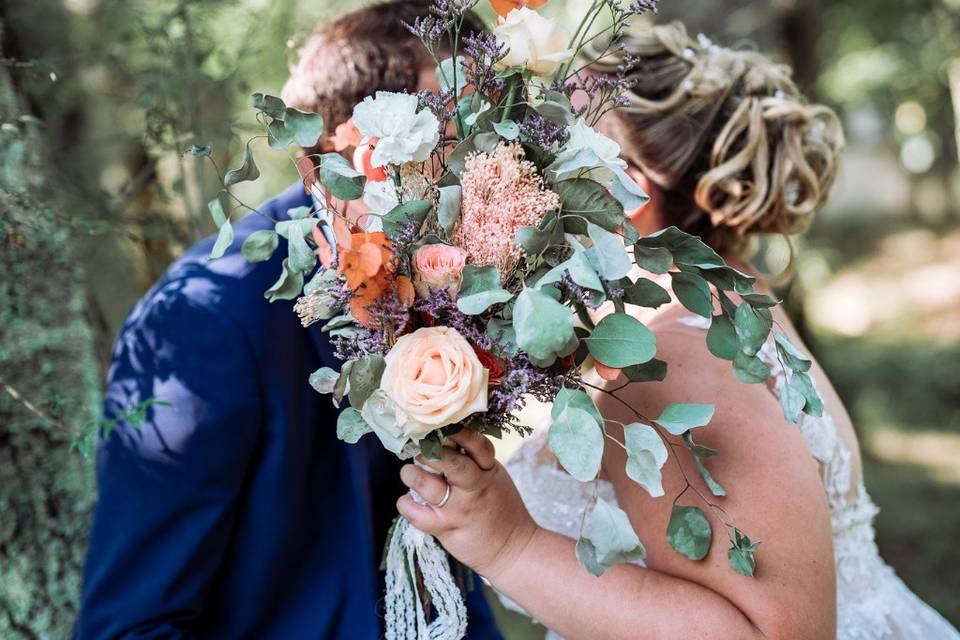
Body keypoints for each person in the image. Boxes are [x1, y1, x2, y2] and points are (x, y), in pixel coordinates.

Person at [394, 22, 960, 640]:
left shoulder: (674, 358)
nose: (513, 168)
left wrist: (511, 546)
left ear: (622, 180)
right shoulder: (723, 305)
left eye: (545, 144)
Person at [74, 2, 502, 638]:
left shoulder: (451, 284)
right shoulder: (203, 316)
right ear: (366, 149)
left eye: (495, 123)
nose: (492, 157)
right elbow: (133, 625)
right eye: (462, 126)